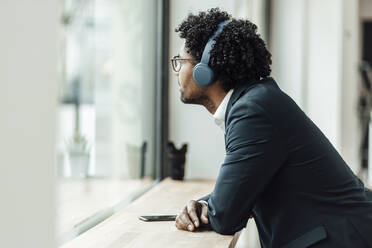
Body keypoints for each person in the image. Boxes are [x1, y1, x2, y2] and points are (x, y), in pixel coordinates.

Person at [172, 8, 372, 248]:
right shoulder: (256, 101)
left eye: (180, 61)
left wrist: (209, 207)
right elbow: (235, 194)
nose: (177, 71)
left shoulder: (253, 111)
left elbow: (224, 216)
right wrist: (205, 205)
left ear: (204, 71)